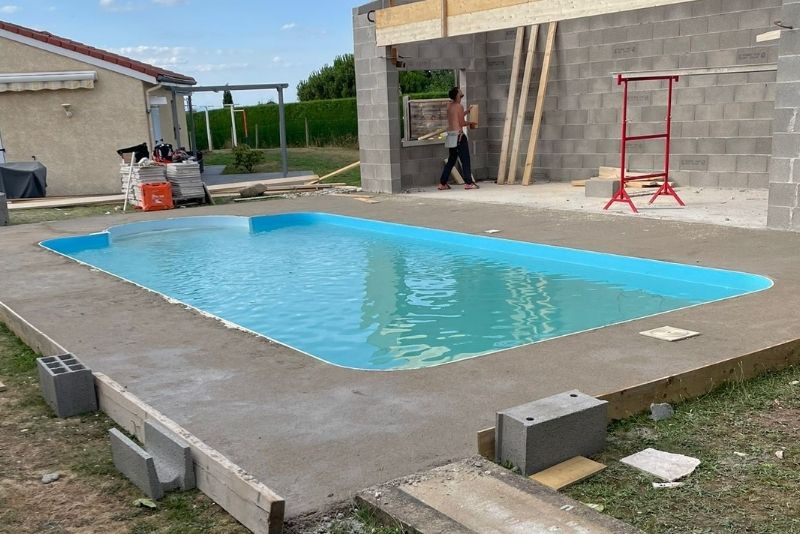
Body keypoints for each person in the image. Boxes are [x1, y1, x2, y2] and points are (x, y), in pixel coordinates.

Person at [439, 87, 479, 190]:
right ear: (457, 96)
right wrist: (472, 122)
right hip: (459, 136)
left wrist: (467, 111)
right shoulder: (459, 106)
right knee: (465, 160)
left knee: (451, 160)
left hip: (451, 136)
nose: (461, 96)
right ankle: (468, 183)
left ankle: (442, 183)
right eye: (461, 95)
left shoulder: (449, 106)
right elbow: (461, 123)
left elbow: (456, 117)